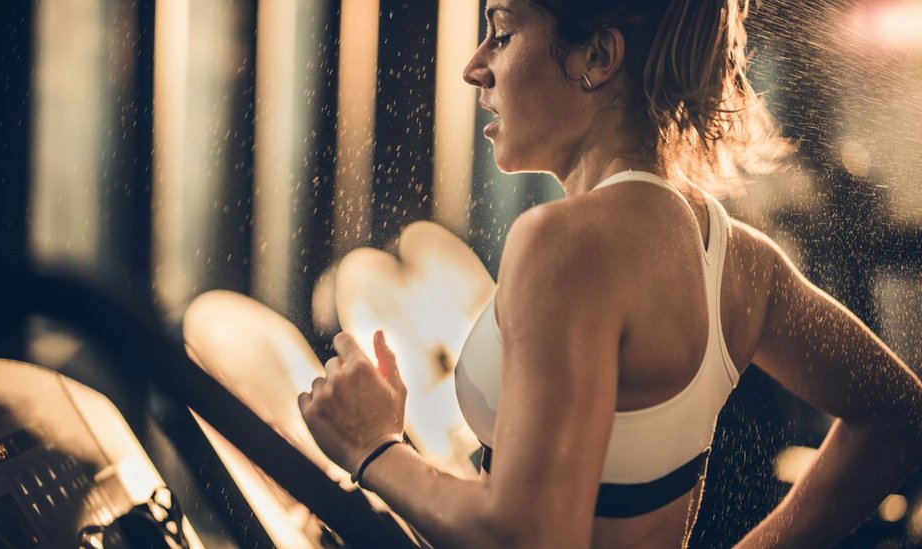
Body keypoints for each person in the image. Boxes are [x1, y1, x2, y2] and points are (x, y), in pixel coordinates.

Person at [297, 0, 922, 547]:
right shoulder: (740, 262)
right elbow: (897, 415)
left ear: (596, 56)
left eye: (503, 32)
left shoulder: (563, 243)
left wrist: (373, 446)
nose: (475, 66)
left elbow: (528, 537)